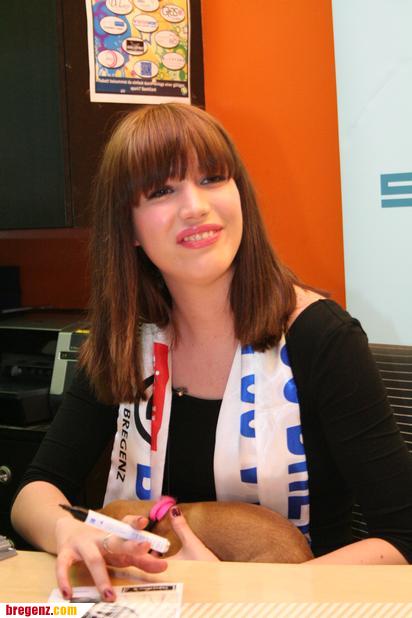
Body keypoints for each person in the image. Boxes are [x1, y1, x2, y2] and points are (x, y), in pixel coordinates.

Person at [11, 103, 412, 600]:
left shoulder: (321, 337)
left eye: (212, 179)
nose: (195, 206)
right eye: (162, 191)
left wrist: (234, 586)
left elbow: (403, 538)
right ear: (128, 229)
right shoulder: (124, 342)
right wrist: (67, 530)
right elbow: (33, 492)